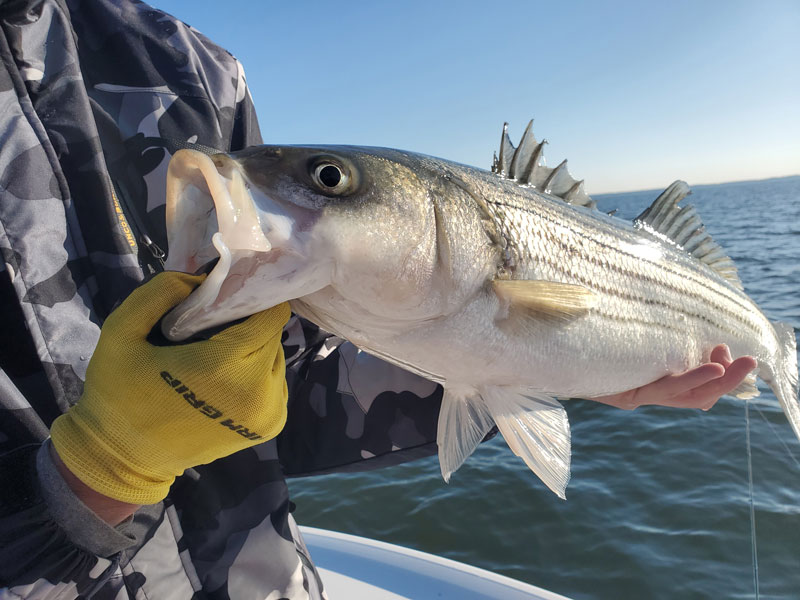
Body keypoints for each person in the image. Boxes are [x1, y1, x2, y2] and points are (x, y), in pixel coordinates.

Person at [0, 1, 757, 598]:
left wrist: (553, 368)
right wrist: (92, 478)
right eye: (329, 178)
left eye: (328, 180)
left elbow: (288, 396)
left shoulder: (182, 63)